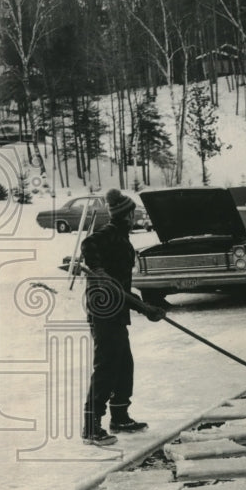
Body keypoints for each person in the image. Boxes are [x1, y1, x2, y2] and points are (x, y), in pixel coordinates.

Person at [81, 188, 166, 445]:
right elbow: (88, 244)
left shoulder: (121, 237)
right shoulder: (110, 233)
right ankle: (90, 426)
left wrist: (144, 307)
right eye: (133, 212)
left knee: (124, 364)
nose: (136, 216)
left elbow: (123, 287)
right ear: (127, 215)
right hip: (104, 310)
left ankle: (119, 415)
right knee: (107, 365)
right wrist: (96, 269)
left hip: (116, 309)